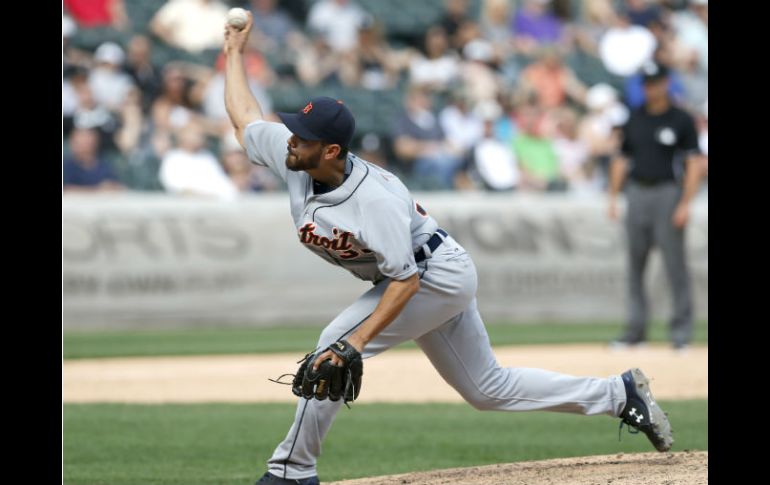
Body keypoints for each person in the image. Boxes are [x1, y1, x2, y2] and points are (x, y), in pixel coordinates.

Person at [224, 15, 674, 485]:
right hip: (425, 272)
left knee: (331, 349)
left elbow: (406, 281)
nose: (290, 139)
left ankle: (291, 471)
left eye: (303, 136)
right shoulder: (296, 157)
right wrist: (234, 53)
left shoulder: (373, 199)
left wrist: (353, 343)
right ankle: (619, 395)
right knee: (487, 388)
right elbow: (245, 120)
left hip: (431, 273)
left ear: (332, 151)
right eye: (294, 130)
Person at [608, 61, 706, 351]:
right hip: (637, 191)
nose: (652, 88)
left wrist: (686, 202)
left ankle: (681, 331)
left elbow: (694, 162)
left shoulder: (681, 119)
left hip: (667, 192)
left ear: (666, 83)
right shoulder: (634, 118)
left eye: (656, 82)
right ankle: (635, 330)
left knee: (674, 264)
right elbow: (622, 159)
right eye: (647, 83)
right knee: (635, 263)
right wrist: (613, 197)